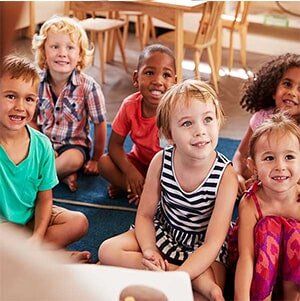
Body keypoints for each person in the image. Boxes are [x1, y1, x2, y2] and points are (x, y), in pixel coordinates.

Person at [99, 79, 238, 300]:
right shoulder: (161, 160)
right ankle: (174, 277)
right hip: (164, 232)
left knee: (206, 296)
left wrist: (179, 275)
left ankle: (166, 277)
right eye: (186, 123)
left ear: (218, 122)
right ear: (169, 134)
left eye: (208, 119)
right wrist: (149, 251)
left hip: (202, 249)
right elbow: (144, 216)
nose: (200, 131)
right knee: (107, 250)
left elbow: (213, 242)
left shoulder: (227, 177)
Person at [0, 55, 90, 261]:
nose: (20, 106)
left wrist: (38, 236)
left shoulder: (42, 145)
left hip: (30, 219)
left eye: (29, 99)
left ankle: (31, 255)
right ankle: (50, 259)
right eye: (11, 96)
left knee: (79, 222)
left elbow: (44, 198)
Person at [31, 16, 107, 192]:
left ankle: (37, 180)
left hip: (73, 146)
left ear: (80, 54)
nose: (62, 53)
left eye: (70, 48)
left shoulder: (89, 87)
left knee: (74, 160)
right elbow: (30, 118)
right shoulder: (35, 82)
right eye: (55, 47)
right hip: (43, 143)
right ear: (44, 51)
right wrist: (42, 144)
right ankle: (62, 175)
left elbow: (100, 124)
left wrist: (95, 159)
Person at [232, 112, 300, 300]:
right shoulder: (251, 203)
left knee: (297, 233)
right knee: (267, 228)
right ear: (253, 166)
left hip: (292, 276)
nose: (280, 166)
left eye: (289, 157)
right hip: (259, 268)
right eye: (269, 158)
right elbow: (246, 258)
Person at [99, 44, 176, 205]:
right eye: (149, 73)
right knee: (104, 163)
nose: (158, 81)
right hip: (139, 164)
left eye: (166, 75)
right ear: (136, 78)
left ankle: (140, 192)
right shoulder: (129, 105)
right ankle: (139, 189)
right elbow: (114, 146)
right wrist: (130, 172)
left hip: (168, 170)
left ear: (175, 83)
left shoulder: (177, 112)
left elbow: (184, 158)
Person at [232, 53, 300, 192]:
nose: (292, 92)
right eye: (287, 84)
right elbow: (241, 154)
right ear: (273, 90)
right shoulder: (261, 118)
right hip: (262, 177)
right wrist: (237, 175)